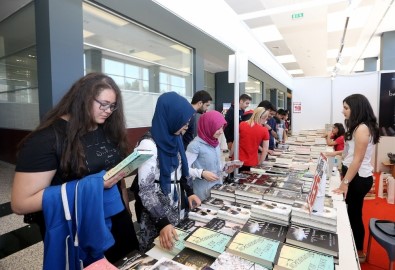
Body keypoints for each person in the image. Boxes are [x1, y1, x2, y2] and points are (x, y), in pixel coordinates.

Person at [11, 72, 139, 265]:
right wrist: (93, 184)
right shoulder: (47, 139)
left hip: (117, 218)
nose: (108, 110)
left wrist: (126, 209)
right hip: (79, 226)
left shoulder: (106, 129)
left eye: (112, 106)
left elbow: (116, 176)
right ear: (82, 98)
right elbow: (21, 203)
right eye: (103, 104)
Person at [135, 91, 201, 252]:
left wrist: (190, 191)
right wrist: (162, 222)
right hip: (156, 212)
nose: (186, 126)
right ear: (170, 116)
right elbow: (146, 190)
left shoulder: (175, 137)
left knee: (174, 251)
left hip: (175, 205)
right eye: (183, 121)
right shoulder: (148, 144)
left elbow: (180, 170)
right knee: (156, 251)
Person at [333, 94, 380, 263]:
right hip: (354, 174)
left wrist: (345, 182)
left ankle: (358, 251)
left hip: (358, 177)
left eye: (346, 107)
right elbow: (350, 153)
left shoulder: (362, 128)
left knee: (354, 214)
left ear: (356, 108)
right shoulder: (359, 127)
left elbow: (358, 159)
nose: (343, 111)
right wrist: (334, 153)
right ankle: (353, 246)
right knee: (351, 211)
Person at [186, 110, 234, 201]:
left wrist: (225, 168)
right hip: (203, 192)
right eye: (218, 128)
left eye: (222, 128)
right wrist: (202, 173)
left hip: (217, 188)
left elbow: (214, 165)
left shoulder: (214, 142)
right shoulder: (195, 145)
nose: (221, 132)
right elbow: (184, 169)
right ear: (208, 126)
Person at [237, 107, 270, 171]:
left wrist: (230, 156)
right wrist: (260, 162)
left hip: (237, 160)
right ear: (263, 118)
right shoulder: (264, 130)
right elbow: (265, 150)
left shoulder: (242, 124)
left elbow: (235, 142)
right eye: (266, 118)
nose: (266, 120)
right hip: (251, 161)